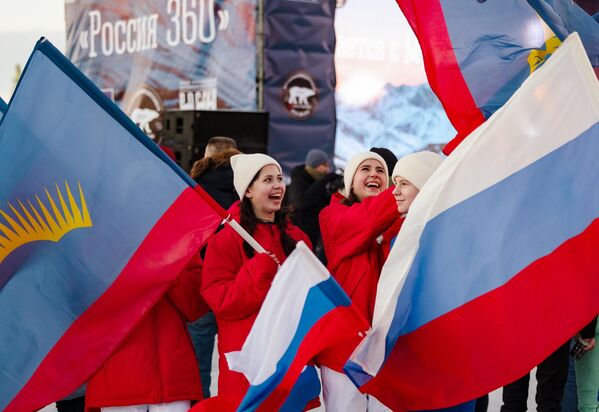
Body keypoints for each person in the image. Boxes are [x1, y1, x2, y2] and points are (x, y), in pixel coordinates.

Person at [201, 153, 317, 407]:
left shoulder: (298, 238)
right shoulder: (226, 240)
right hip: (247, 364)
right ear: (249, 191)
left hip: (288, 359)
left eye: (279, 178)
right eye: (267, 179)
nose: (278, 185)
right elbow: (221, 301)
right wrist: (258, 272)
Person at [319, 151, 401, 411]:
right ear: (351, 182)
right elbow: (367, 221)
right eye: (365, 169)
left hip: (388, 346)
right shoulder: (332, 217)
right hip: (345, 348)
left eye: (380, 171)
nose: (374, 174)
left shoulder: (400, 223)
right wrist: (407, 182)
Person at [85, 256, 207, 412]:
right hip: (118, 378)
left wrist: (166, 264)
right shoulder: (94, 244)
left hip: (171, 376)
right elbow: (82, 308)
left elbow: (196, 305)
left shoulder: (174, 235)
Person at [188, 137, 240, 398]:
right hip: (241, 288)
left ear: (206, 158)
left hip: (201, 287)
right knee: (242, 368)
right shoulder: (249, 185)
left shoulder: (192, 187)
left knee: (198, 369)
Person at [501, 319, 597, 411]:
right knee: (549, 400)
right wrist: (587, 331)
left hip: (517, 321)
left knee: (513, 400)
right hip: (555, 321)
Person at [287, 149, 336, 261]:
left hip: (313, 236)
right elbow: (302, 203)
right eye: (324, 165)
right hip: (297, 237)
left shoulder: (317, 183)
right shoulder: (298, 181)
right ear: (315, 165)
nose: (327, 169)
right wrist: (323, 181)